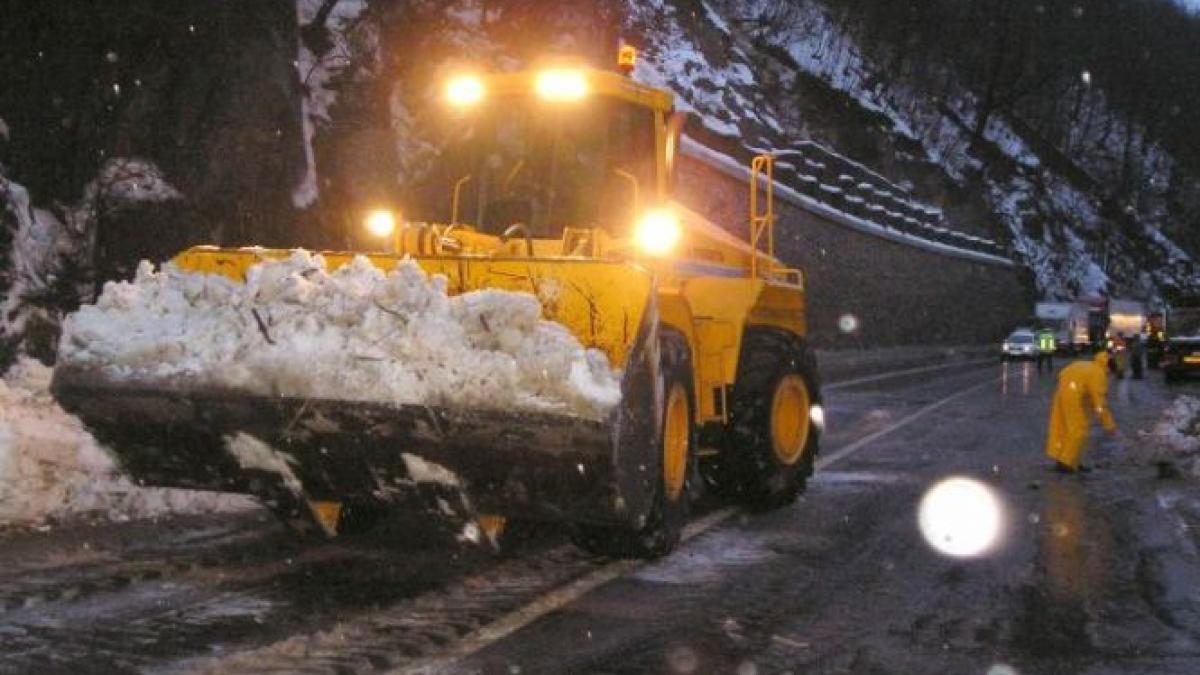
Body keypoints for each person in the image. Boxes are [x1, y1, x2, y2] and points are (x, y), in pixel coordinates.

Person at [1045, 350, 1119, 473]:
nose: (1109, 375)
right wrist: (1109, 425)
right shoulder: (1098, 374)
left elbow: (1067, 376)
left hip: (1063, 391)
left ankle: (1069, 460)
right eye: (1110, 373)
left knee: (1065, 428)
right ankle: (1066, 462)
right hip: (1072, 395)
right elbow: (1100, 404)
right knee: (1079, 429)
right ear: (1108, 368)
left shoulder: (1089, 366)